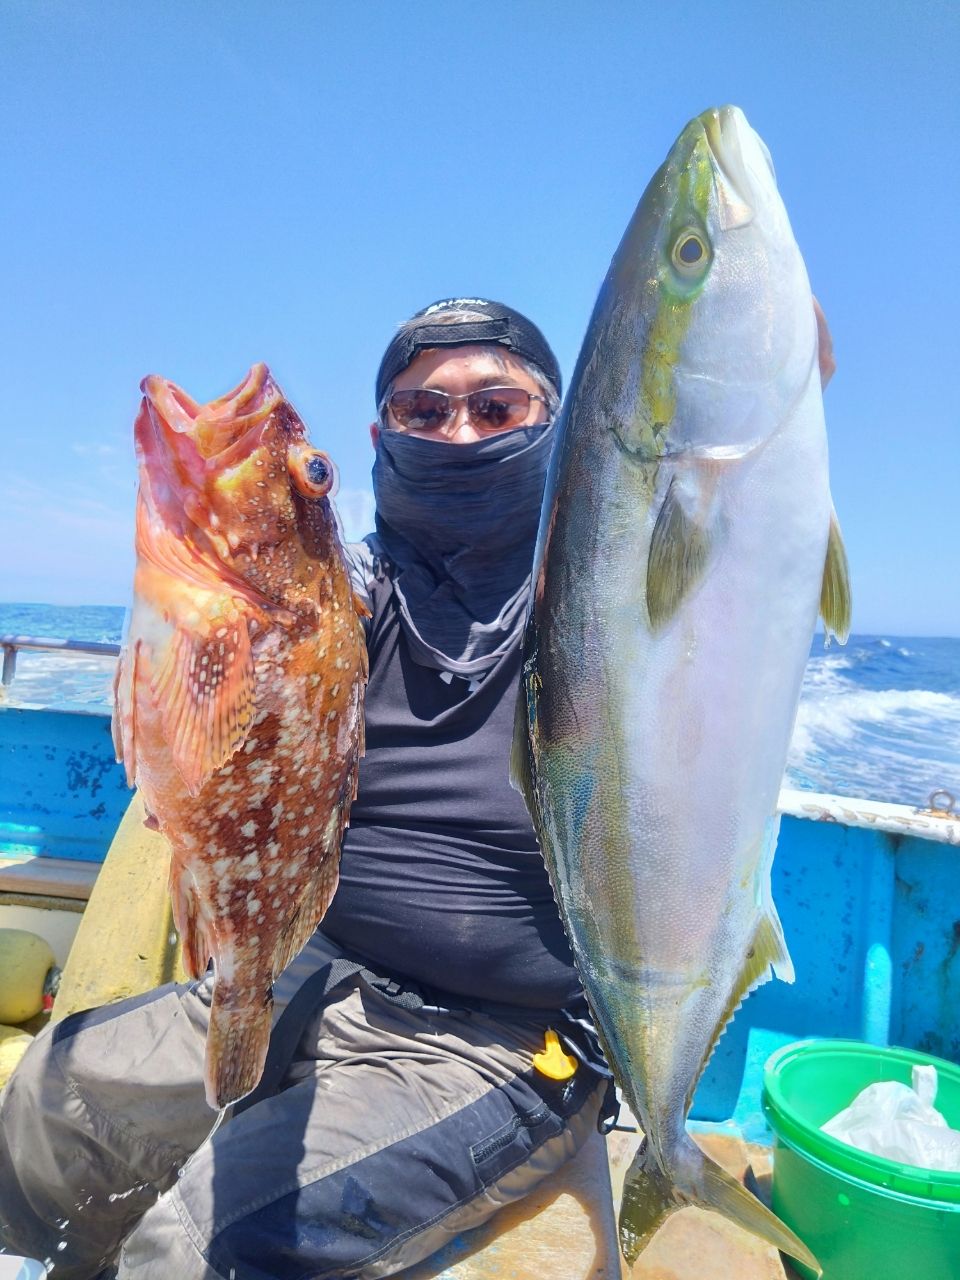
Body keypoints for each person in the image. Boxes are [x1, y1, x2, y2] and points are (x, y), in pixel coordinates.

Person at [0, 298, 614, 1280]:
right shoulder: (347, 583)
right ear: (382, 438)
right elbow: (253, 640)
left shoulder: (611, 600)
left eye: (496, 407)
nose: (459, 430)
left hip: (505, 1038)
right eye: (425, 410)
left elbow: (724, 540)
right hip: (304, 967)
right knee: (49, 1092)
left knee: (216, 1243)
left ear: (561, 425)